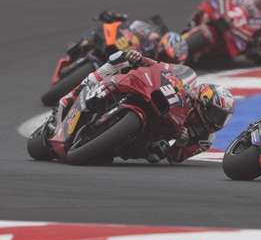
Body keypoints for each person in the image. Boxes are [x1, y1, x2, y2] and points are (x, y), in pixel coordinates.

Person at [58, 50, 235, 164]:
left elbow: (176, 158)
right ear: (203, 101)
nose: (216, 120)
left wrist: (181, 143)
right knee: (120, 58)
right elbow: (164, 69)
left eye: (222, 118)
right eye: (216, 113)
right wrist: (141, 59)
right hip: (154, 104)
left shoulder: (205, 138)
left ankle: (111, 145)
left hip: (153, 134)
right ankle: (76, 92)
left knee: (158, 152)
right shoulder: (188, 91)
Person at [95, 10, 189, 65]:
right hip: (119, 48)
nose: (167, 62)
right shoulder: (152, 38)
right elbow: (134, 25)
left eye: (172, 61)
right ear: (162, 47)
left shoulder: (160, 68)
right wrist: (119, 17)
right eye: (168, 58)